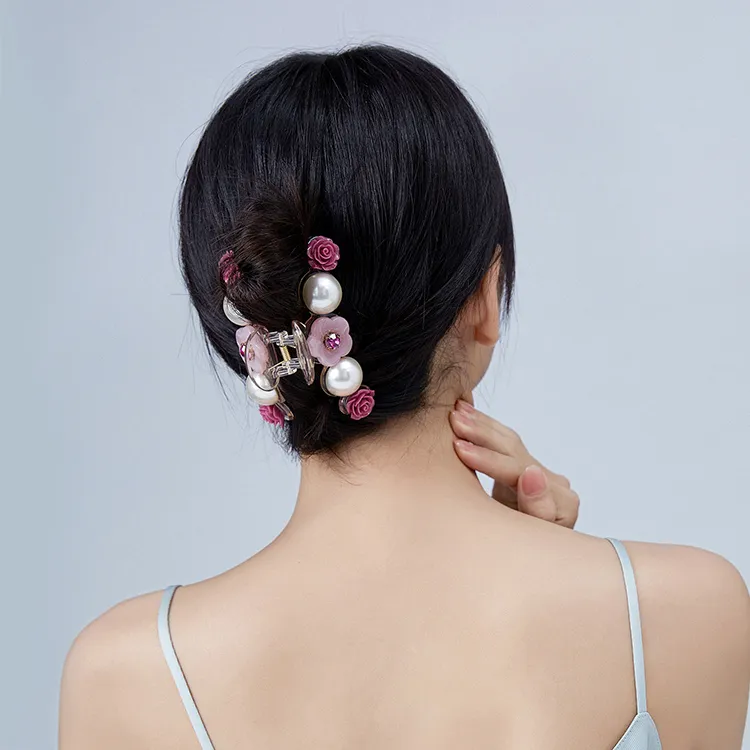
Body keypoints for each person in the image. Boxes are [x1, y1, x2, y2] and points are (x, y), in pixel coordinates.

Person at [59, 44, 750, 750]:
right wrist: (556, 575)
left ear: (247, 330)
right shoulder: (681, 618)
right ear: (485, 296)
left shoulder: (126, 676)